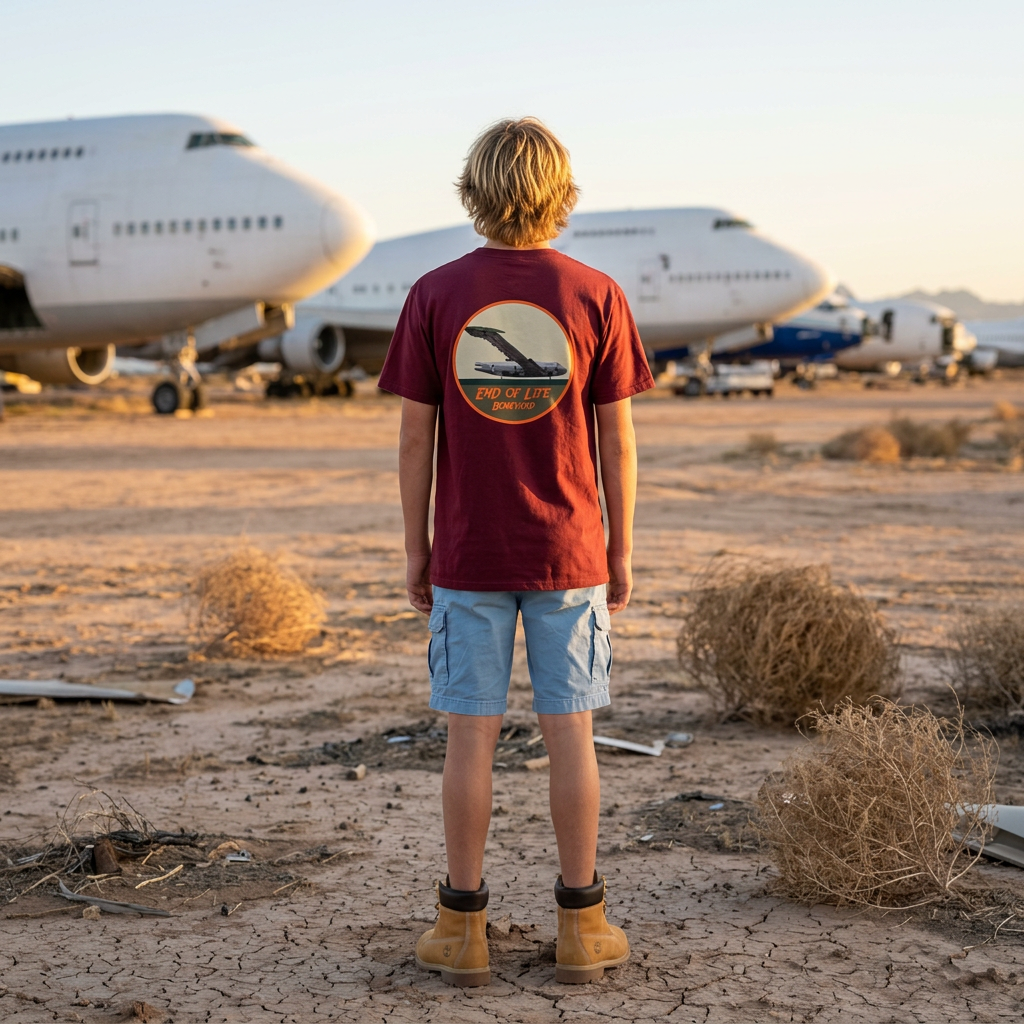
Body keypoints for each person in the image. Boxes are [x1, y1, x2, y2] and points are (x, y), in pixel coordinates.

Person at [377, 117, 654, 988]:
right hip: (571, 554)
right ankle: (584, 924)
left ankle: (462, 931)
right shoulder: (596, 293)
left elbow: (415, 442)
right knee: (572, 737)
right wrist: (621, 548)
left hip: (467, 553)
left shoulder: (433, 294)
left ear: (474, 189)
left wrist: (416, 547)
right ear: (561, 193)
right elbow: (619, 442)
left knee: (471, 742)